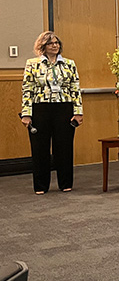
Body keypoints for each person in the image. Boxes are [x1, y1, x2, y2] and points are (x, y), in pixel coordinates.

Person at [20, 31, 84, 194]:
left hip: (64, 107)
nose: (55, 46)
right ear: (43, 46)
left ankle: (65, 183)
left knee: (64, 146)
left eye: (56, 43)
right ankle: (41, 185)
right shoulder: (32, 64)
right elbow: (27, 89)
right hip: (40, 108)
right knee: (40, 147)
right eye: (50, 43)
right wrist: (26, 113)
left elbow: (75, 88)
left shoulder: (69, 64)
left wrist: (78, 112)